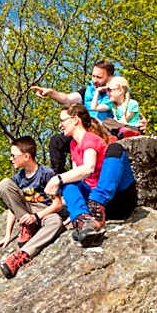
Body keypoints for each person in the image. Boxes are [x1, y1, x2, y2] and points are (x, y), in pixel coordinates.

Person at [45, 104, 138, 246]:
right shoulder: (73, 146)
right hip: (97, 209)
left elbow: (88, 168)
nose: (60, 125)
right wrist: (73, 207)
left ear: (75, 120)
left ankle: (96, 204)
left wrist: (56, 179)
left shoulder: (90, 139)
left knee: (116, 149)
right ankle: (83, 220)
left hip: (118, 199)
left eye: (62, 120)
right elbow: (78, 177)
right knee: (68, 180)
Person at [0, 136, 65, 278]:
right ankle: (27, 227)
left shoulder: (46, 173)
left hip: (44, 212)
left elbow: (57, 204)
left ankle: (21, 255)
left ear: (26, 156)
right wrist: (8, 235)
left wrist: (36, 217)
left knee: (56, 222)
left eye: (13, 155)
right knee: (4, 184)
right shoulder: (17, 178)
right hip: (27, 210)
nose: (11, 159)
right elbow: (13, 208)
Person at [31, 60, 116, 173]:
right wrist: (51, 93)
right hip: (85, 132)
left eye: (99, 77)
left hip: (103, 133)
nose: (94, 80)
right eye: (93, 76)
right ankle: (58, 176)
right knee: (57, 140)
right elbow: (67, 99)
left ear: (110, 78)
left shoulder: (117, 93)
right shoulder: (87, 92)